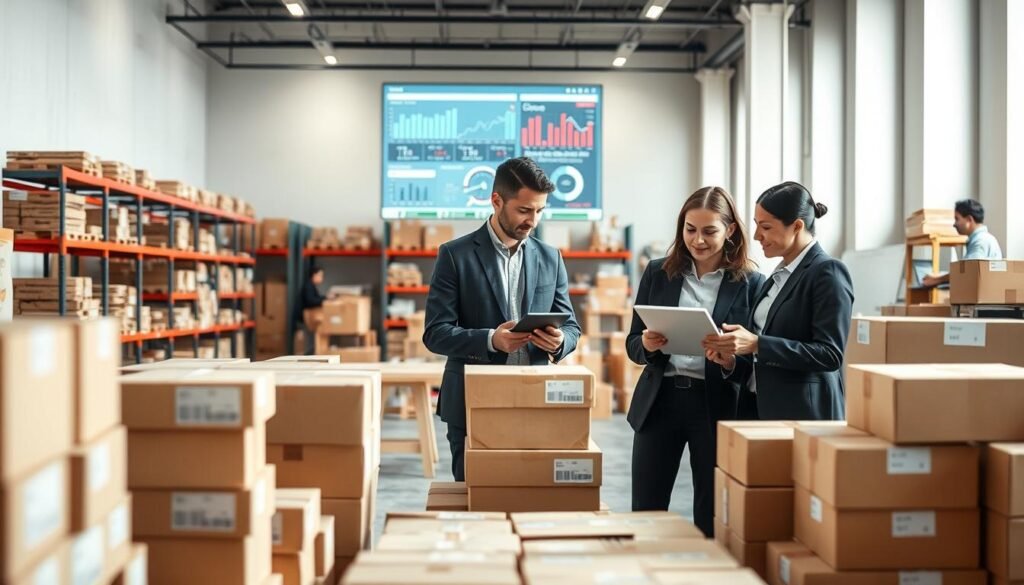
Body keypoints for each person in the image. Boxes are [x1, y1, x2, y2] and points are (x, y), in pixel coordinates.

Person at [423, 157, 581, 481]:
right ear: (496, 200)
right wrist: (490, 339)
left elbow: (572, 327)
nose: (532, 220)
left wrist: (561, 341)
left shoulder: (551, 258)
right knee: (475, 502)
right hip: (472, 404)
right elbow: (435, 332)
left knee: (527, 498)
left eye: (539, 211)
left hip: (533, 399)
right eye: (524, 210)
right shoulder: (455, 255)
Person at [625, 186, 764, 538]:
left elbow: (752, 359)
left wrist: (730, 361)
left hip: (714, 404)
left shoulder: (751, 282)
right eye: (690, 229)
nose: (697, 240)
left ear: (730, 230)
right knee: (646, 506)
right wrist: (646, 344)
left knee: (711, 510)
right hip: (661, 401)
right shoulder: (658, 273)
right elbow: (632, 344)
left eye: (709, 231)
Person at [702, 181, 854, 421]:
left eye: (766, 227)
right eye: (756, 225)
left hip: (803, 415)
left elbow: (829, 354)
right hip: (760, 408)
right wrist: (732, 360)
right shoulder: (778, 275)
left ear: (796, 226)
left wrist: (756, 344)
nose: (756, 235)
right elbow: (765, 356)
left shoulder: (828, 272)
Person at [921, 199, 1003, 287]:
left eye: (957, 219)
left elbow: (967, 272)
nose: (954, 224)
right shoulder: (983, 239)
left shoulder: (980, 241)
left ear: (969, 219)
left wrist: (936, 280)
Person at [297, 265, 328, 354]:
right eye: (320, 275)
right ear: (314, 275)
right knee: (309, 344)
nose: (322, 278)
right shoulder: (308, 286)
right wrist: (324, 299)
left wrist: (325, 297)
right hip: (306, 320)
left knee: (311, 343)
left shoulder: (311, 286)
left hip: (308, 319)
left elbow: (316, 298)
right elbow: (311, 301)